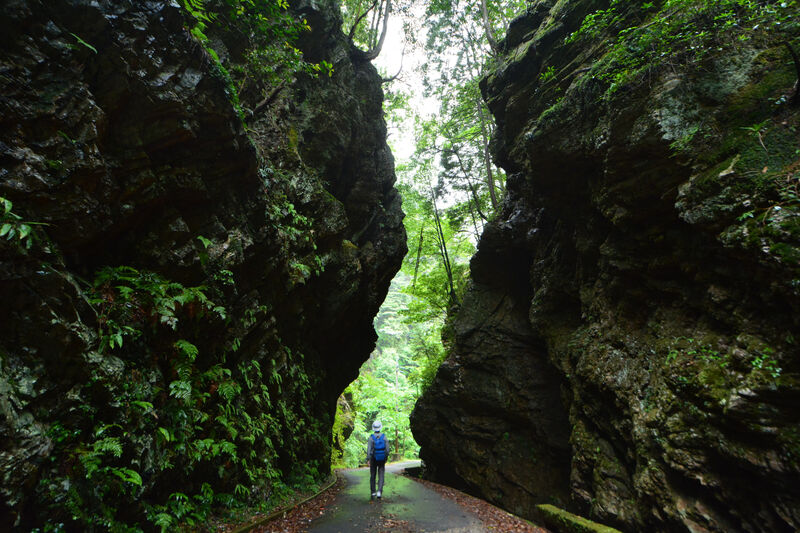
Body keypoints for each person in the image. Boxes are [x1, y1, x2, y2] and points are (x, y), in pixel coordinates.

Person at [367, 420, 388, 499]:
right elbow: (387, 449)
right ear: (380, 427)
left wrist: (368, 459)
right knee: (381, 474)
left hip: (373, 458)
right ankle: (379, 491)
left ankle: (373, 492)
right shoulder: (384, 437)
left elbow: (369, 449)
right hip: (382, 458)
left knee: (373, 475)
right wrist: (385, 457)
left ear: (373, 428)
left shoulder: (371, 438)